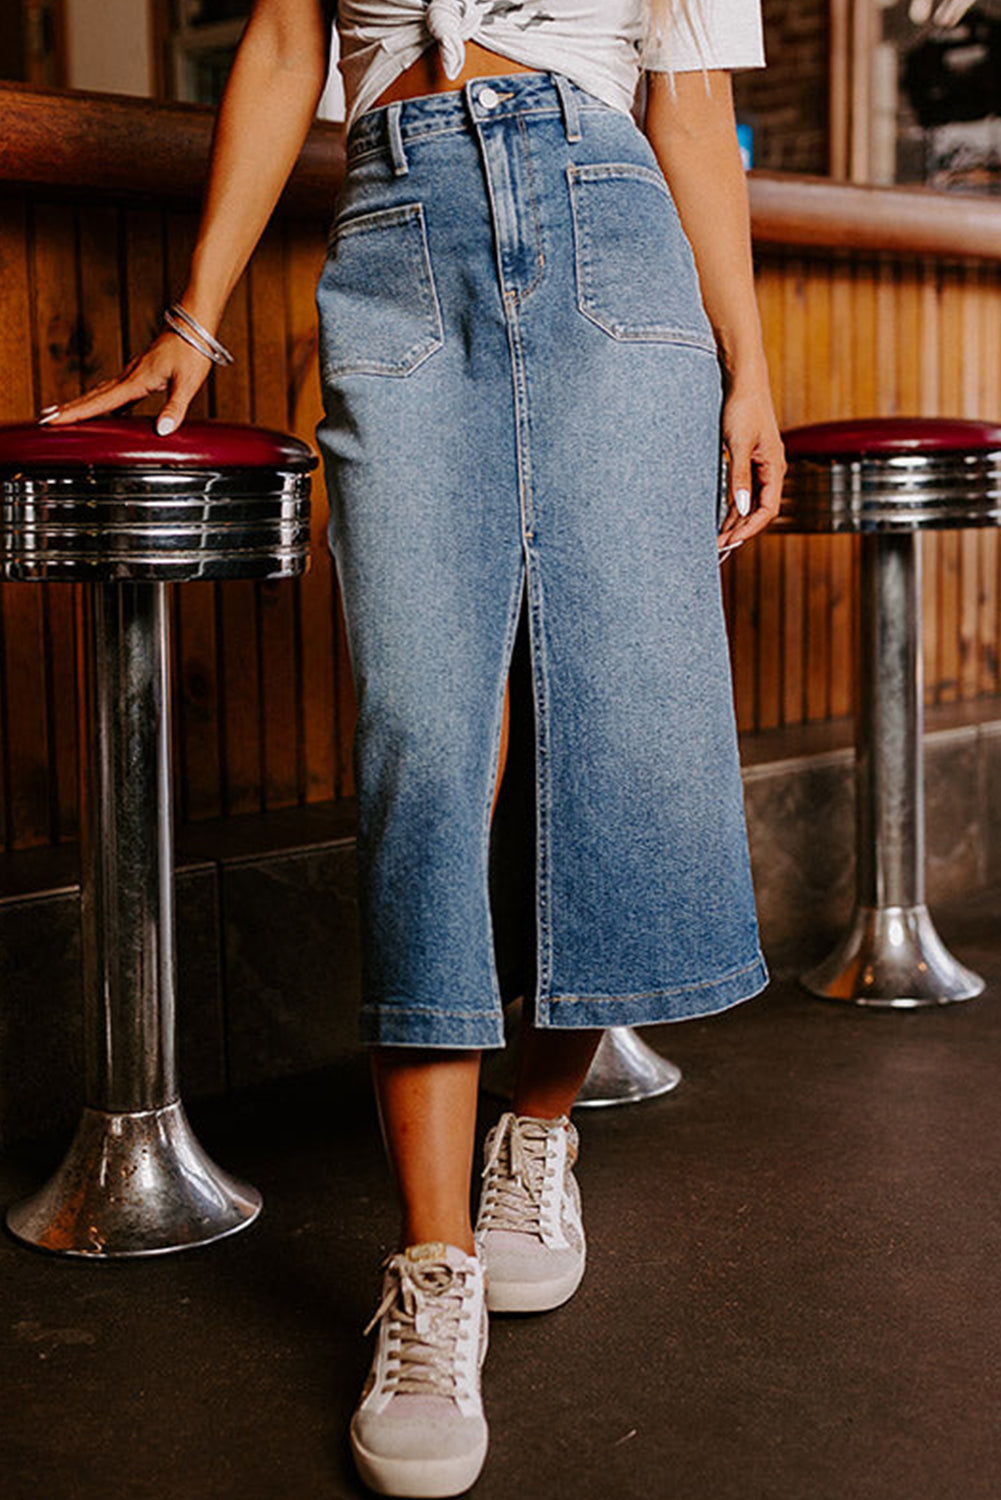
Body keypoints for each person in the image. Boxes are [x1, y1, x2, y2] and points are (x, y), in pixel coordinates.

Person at [44, 1, 786, 1493]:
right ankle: (431, 1267)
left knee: (619, 717)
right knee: (422, 739)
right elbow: (277, 46)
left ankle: (539, 1128)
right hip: (397, 227)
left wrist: (747, 371)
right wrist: (196, 312)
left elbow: (690, 107)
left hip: (610, 230)